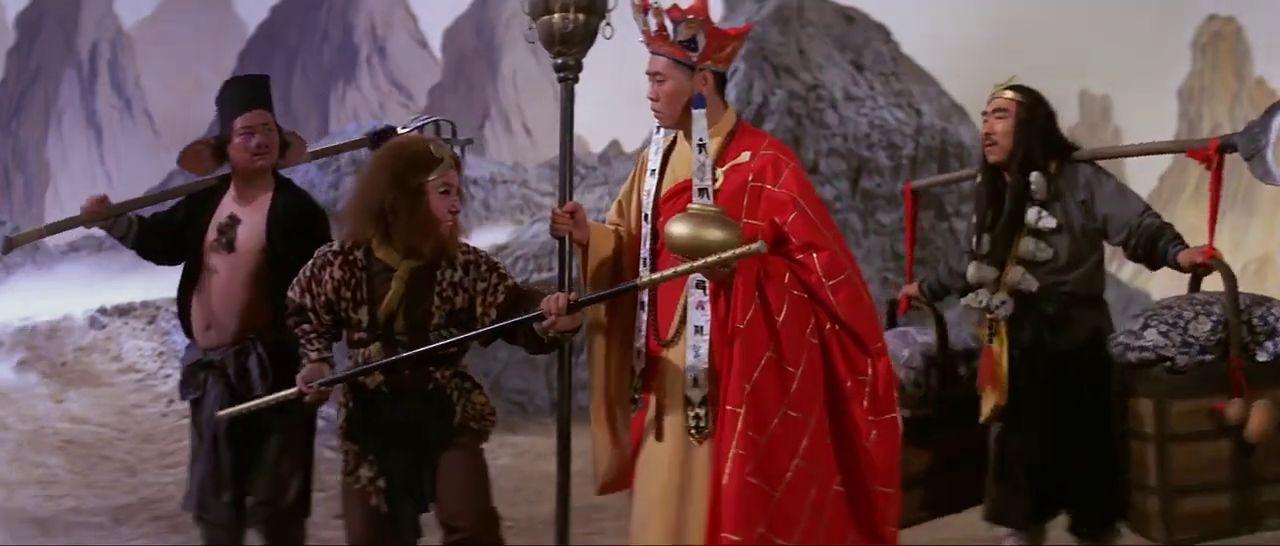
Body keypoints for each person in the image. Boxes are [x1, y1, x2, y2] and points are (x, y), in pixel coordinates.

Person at [548, 1, 901, 544]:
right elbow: (626, 242)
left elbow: (822, 277)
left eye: (660, 80)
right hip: (664, 368)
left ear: (701, 83)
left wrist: (748, 275)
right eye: (648, 79)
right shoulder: (655, 161)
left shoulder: (767, 164)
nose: (649, 92)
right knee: (659, 517)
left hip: (731, 373)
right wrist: (587, 236)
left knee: (715, 512)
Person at [899, 80, 1212, 546]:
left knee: (1089, 442)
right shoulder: (993, 192)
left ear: (1029, 125)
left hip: (1077, 334)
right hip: (1016, 339)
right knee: (1018, 442)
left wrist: (1177, 253)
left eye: (1000, 116)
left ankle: (1096, 530)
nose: (987, 128)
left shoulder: (1077, 178)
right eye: (985, 117)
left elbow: (1132, 222)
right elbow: (973, 261)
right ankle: (1023, 529)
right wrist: (926, 287)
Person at [286, 133, 584, 545]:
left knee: (472, 525)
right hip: (371, 418)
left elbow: (513, 308)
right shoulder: (344, 262)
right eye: (444, 192)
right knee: (372, 535)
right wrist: (317, 360)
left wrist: (551, 316)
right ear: (403, 196)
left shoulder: (463, 266)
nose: (456, 205)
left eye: (457, 192)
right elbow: (306, 310)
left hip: (444, 409)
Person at [80, 74, 333, 545]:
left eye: (267, 130)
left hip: (276, 372)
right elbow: (162, 243)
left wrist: (317, 358)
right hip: (213, 376)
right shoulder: (204, 203)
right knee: (217, 507)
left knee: (277, 505)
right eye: (246, 133)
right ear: (225, 146)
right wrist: (113, 221)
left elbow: (321, 294)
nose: (259, 141)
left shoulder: (299, 212)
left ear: (280, 140)